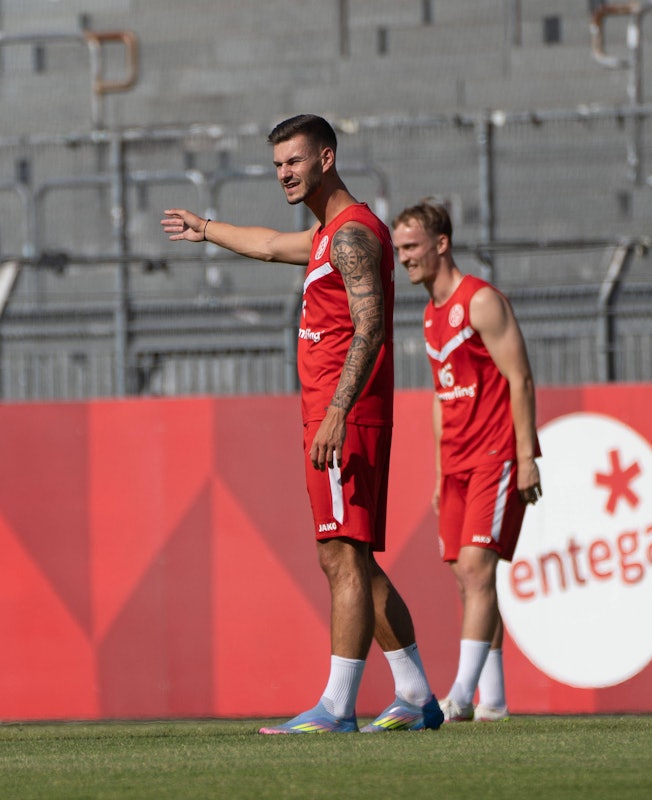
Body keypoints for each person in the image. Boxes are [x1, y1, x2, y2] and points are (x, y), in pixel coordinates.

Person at [161, 114, 443, 734]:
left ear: (326, 158)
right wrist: (205, 229)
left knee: (341, 555)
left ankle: (338, 708)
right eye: (277, 164)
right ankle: (417, 694)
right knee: (354, 557)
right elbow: (266, 244)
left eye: (293, 160)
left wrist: (338, 410)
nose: (283, 174)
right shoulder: (326, 236)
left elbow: (369, 330)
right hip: (332, 414)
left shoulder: (351, 237)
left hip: (346, 416)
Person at [392, 199, 542, 723]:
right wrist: (438, 471)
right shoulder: (430, 313)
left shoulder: (480, 302)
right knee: (466, 578)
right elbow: (441, 394)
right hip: (455, 462)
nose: (403, 258)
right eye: (398, 249)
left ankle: (459, 694)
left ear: (441, 243)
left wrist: (526, 457)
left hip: (495, 453)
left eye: (410, 247)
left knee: (478, 570)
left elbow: (520, 377)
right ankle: (494, 700)